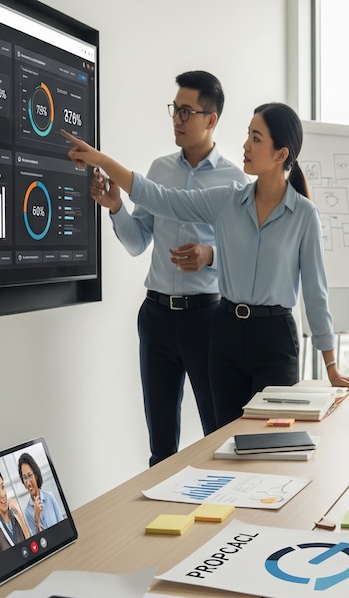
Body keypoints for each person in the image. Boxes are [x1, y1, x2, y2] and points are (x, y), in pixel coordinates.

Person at [64, 102, 349, 426]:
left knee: (272, 443)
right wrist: (101, 159)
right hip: (225, 334)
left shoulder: (304, 215)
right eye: (248, 135)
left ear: (280, 154)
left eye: (256, 138)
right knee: (226, 441)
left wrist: (330, 365)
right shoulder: (227, 201)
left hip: (274, 339)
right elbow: (160, 197)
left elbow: (316, 293)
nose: (245, 145)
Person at [94, 71, 249, 466]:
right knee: (161, 450)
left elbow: (249, 254)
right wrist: (116, 207)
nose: (177, 119)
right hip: (156, 317)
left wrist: (209, 255)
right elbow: (136, 242)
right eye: (174, 110)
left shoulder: (234, 181)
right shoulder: (158, 171)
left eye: (186, 111)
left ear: (211, 119)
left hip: (207, 319)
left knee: (221, 435)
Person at [17, 453, 64, 535]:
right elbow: (40, 542)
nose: (28, 482)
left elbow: (62, 526)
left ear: (36, 475)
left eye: (30, 475)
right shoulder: (28, 512)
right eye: (25, 478)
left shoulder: (49, 497)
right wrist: (36, 519)